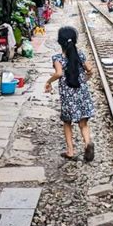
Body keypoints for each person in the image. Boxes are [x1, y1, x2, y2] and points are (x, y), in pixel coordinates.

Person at [45, 26, 95, 162]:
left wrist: (49, 82)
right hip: (82, 93)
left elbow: (59, 73)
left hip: (68, 96)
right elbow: (89, 69)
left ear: (59, 42)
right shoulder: (80, 55)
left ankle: (70, 151)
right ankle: (87, 143)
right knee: (83, 123)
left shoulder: (57, 58)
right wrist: (85, 79)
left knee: (67, 122)